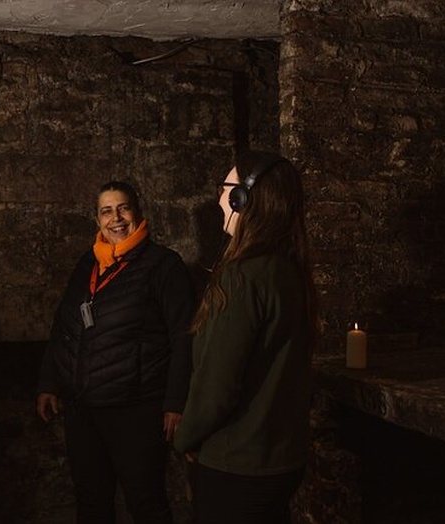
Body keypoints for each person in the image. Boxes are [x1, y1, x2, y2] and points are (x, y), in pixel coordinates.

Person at [36, 181, 194, 524]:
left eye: (123, 208)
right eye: (106, 211)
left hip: (135, 408)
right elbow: (64, 325)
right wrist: (49, 381)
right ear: (97, 220)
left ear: (137, 212)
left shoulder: (163, 266)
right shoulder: (88, 264)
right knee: (91, 503)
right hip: (83, 408)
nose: (116, 218)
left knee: (146, 502)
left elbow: (184, 336)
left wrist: (175, 402)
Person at [173, 151, 318, 524]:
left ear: (244, 199)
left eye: (225, 188)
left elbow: (217, 385)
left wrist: (186, 437)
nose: (219, 197)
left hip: (238, 465)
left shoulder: (241, 278)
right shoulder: (290, 271)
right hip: (283, 460)